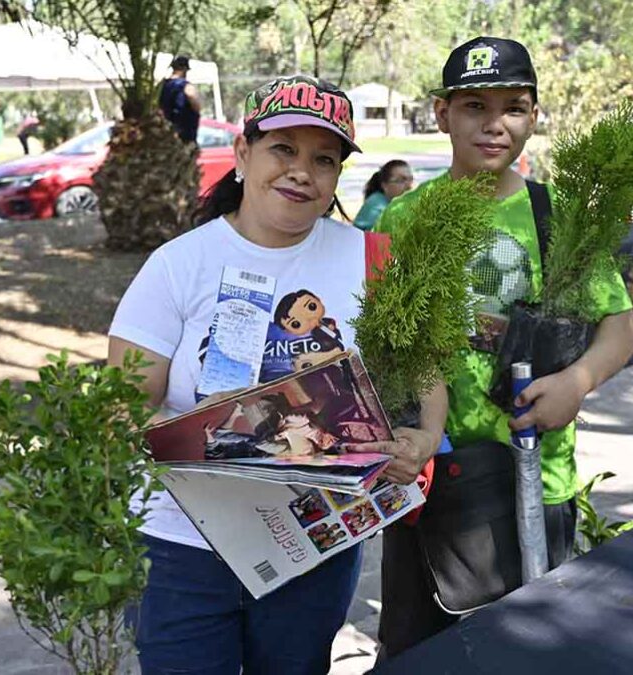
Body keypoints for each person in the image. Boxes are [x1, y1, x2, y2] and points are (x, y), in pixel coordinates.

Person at [108, 74, 446, 675]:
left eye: (323, 159)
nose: (301, 171)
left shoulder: (372, 257)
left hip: (311, 541)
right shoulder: (178, 265)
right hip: (183, 541)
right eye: (282, 150)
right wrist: (209, 439)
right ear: (243, 155)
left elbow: (424, 374)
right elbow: (121, 403)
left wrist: (421, 438)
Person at [373, 36, 633, 658]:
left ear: (534, 116)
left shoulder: (559, 213)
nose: (495, 125)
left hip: (538, 479)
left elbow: (620, 327)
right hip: (432, 481)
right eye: (474, 107)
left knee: (529, 651)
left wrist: (576, 383)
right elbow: (397, 349)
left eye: (514, 108)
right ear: (442, 114)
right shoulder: (403, 220)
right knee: (420, 652)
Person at [353, 160, 413, 231]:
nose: (409, 186)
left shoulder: (395, 203)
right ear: (384, 185)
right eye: (401, 180)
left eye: (410, 180)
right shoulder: (377, 207)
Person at [158, 55, 202, 144]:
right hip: (185, 132)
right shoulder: (185, 86)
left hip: (167, 132)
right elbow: (196, 105)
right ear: (185, 70)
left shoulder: (162, 86)